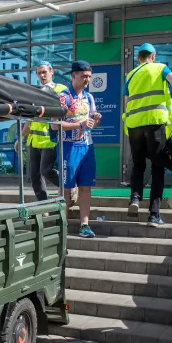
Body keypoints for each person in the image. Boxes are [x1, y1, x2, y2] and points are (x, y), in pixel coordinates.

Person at [123, 43, 172, 227]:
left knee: (138, 165)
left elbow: (126, 102)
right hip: (155, 123)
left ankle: (134, 199)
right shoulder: (160, 68)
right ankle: (154, 215)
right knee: (157, 167)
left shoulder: (130, 75)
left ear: (138, 58)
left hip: (134, 125)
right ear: (153, 56)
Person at [52, 60, 101, 238]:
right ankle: (61, 224)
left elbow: (91, 125)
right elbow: (55, 125)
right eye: (84, 76)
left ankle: (84, 225)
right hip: (68, 146)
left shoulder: (89, 97)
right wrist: (79, 124)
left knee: (85, 187)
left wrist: (95, 119)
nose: (87, 79)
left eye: (89, 76)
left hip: (87, 146)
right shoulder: (63, 97)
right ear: (74, 76)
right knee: (66, 188)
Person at [15, 61, 67, 201]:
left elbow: (66, 113)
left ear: (52, 71)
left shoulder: (60, 89)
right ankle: (43, 206)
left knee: (46, 171)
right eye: (39, 73)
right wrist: (21, 138)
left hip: (50, 139)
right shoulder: (36, 92)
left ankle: (69, 186)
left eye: (44, 72)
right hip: (34, 141)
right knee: (35, 177)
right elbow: (30, 119)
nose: (42, 75)